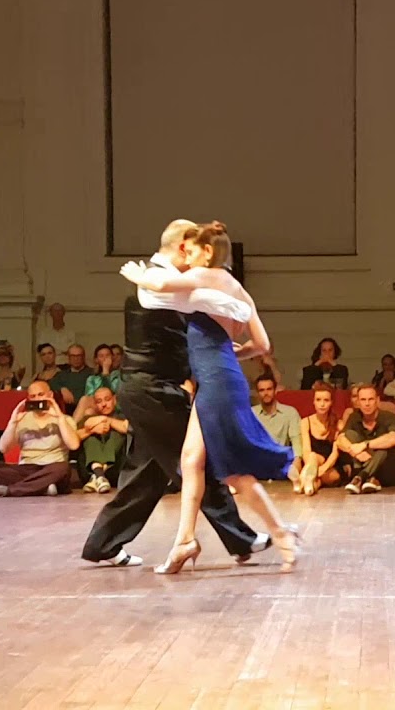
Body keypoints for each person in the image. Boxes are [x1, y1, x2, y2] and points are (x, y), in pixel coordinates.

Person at [83, 221, 269, 569]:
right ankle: (240, 538)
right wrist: (238, 305)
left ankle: (102, 544)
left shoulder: (163, 281)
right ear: (185, 248)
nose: (199, 263)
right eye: (196, 251)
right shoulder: (158, 283)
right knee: (199, 461)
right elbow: (208, 302)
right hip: (154, 390)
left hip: (148, 389)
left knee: (147, 474)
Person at [127, 220, 299, 573]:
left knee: (233, 472)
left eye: (192, 250)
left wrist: (133, 273)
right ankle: (185, 541)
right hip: (220, 377)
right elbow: (262, 345)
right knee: (191, 460)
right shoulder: (236, 287)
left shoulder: (210, 276)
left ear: (208, 252)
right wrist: (228, 354)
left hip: (217, 382)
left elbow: (158, 284)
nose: (186, 256)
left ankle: (281, 532)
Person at [0, 381, 78, 498]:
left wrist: (59, 417)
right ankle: (42, 487)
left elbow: (74, 445)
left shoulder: (64, 419)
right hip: (28, 468)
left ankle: (10, 490)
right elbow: (3, 448)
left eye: (41, 394)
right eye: (33, 396)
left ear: (50, 395)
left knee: (63, 468)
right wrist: (13, 422)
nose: (37, 399)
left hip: (52, 468)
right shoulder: (23, 419)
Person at [336, 383, 395, 495]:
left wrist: (365, 445)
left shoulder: (390, 417)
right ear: (358, 402)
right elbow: (340, 439)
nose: (367, 404)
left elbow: (394, 439)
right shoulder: (354, 417)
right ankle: (371, 479)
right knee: (350, 434)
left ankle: (360, 478)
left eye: (370, 399)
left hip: (388, 469)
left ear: (377, 401)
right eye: (363, 400)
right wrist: (354, 451)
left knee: (384, 448)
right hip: (362, 462)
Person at [250, 374, 304, 491]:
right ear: (257, 393)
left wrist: (297, 463)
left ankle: (295, 477)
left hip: (281, 461)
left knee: (290, 457)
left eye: (269, 389)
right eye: (262, 390)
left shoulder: (290, 412)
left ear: (275, 391)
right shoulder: (251, 413)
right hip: (258, 462)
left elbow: (297, 442)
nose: (266, 393)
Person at [76, 387, 130, 493]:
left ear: (114, 399)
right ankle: (99, 474)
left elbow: (126, 427)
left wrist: (108, 421)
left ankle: (98, 475)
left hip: (116, 469)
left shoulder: (122, 416)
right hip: (88, 471)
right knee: (91, 437)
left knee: (117, 433)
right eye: (99, 401)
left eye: (107, 399)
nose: (104, 404)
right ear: (95, 405)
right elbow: (73, 439)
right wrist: (91, 431)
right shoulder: (89, 418)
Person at [298, 382, 343, 495]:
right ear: (313, 401)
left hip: (331, 467)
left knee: (330, 476)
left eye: (326, 400)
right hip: (312, 462)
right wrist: (312, 465)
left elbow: (335, 454)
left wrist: (320, 471)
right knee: (313, 455)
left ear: (331, 402)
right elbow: (306, 451)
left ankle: (306, 481)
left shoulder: (339, 424)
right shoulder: (305, 422)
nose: (322, 404)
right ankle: (311, 485)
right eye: (318, 400)